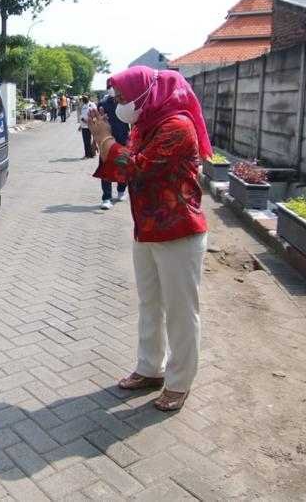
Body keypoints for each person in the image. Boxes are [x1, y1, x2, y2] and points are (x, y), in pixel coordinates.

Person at [86, 66, 212, 412]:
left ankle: (180, 381)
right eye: (117, 97)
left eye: (124, 96)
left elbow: (137, 167)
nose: (119, 103)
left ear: (146, 94)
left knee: (181, 311)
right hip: (148, 229)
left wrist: (105, 139)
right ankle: (149, 368)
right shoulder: (144, 125)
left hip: (178, 232)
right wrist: (107, 143)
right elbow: (123, 169)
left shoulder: (177, 126)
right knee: (150, 304)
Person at [97, 92, 129, 210]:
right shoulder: (103, 105)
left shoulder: (127, 104)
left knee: (122, 167)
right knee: (106, 168)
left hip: (122, 140)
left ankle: (121, 191)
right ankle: (106, 198)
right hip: (107, 141)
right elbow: (98, 122)